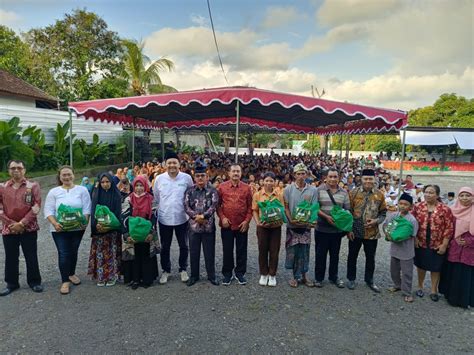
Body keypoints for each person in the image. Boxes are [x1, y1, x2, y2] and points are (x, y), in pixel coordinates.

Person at [44, 166, 91, 295]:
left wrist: (85, 223)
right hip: (59, 229)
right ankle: (65, 281)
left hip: (77, 228)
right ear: (59, 177)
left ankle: (71, 273)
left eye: (69, 174)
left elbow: (87, 208)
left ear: (73, 175)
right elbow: (48, 210)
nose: (66, 177)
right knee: (64, 252)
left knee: (73, 251)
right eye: (64, 175)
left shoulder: (82, 190)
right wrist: (55, 224)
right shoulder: (54, 192)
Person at [0, 160, 43, 296]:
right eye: (13, 168)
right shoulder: (2, 186)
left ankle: (34, 282)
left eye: (19, 168)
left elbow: (36, 206)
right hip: (9, 228)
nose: (16, 170)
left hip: (29, 228)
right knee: (11, 257)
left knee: (31, 256)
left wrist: (22, 223)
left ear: (24, 170)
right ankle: (11, 284)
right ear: (9, 170)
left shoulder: (33, 186)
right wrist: (12, 224)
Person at [153, 151, 193, 284]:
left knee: (184, 245)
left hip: (182, 218)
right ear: (165, 164)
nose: (172, 165)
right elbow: (157, 198)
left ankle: (183, 269)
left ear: (179, 164)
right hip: (164, 218)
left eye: (174, 163)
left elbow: (191, 195)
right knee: (165, 247)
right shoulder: (159, 179)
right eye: (169, 163)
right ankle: (166, 270)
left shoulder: (186, 178)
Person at [347, 169, 387, 292]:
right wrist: (349, 230)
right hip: (355, 230)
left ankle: (369, 280)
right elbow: (348, 213)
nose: (368, 181)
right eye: (366, 179)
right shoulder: (353, 193)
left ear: (374, 179)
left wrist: (376, 221)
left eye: (370, 179)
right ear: (361, 179)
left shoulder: (379, 194)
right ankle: (351, 279)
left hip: (372, 233)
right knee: (352, 256)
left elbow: (383, 213)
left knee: (370, 257)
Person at [412, 185, 454, 302]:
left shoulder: (445, 209)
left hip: (437, 243)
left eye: (431, 192)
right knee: (421, 265)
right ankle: (420, 286)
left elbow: (449, 228)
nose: (428, 194)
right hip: (421, 242)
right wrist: (415, 239)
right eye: (426, 192)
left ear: (437, 195)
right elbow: (412, 224)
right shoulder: (417, 207)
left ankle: (433, 290)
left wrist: (444, 244)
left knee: (436, 267)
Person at [314, 168, 350, 288]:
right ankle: (319, 278)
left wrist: (347, 227)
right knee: (320, 255)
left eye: (335, 177)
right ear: (326, 177)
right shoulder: (318, 190)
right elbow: (315, 207)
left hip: (336, 230)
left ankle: (333, 277)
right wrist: (325, 217)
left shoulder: (344, 193)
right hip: (321, 229)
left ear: (338, 178)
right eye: (331, 176)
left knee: (335, 255)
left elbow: (348, 210)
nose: (333, 179)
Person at [217, 164, 253, 285]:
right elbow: (218, 205)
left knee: (241, 250)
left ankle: (240, 273)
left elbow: (250, 207)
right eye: (233, 171)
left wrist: (247, 221)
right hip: (227, 224)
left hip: (241, 225)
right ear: (229, 173)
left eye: (238, 171)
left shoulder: (247, 188)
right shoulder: (222, 187)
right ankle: (227, 274)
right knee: (227, 250)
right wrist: (222, 218)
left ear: (241, 173)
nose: (236, 173)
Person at [184, 164, 219, 286]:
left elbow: (214, 206)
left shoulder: (212, 191)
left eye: (202, 176)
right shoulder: (189, 191)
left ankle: (211, 276)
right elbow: (186, 206)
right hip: (193, 228)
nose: (200, 178)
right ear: (194, 178)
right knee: (194, 252)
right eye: (197, 176)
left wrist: (203, 217)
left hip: (208, 227)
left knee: (209, 253)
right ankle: (194, 276)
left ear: (207, 177)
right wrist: (196, 217)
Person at [121, 175, 159, 289]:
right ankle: (135, 279)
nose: (138, 188)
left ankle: (147, 279)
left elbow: (154, 216)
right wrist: (126, 234)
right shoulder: (129, 199)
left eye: (141, 185)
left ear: (145, 186)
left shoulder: (151, 199)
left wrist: (151, 232)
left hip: (146, 233)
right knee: (134, 256)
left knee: (146, 254)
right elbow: (124, 216)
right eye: (136, 185)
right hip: (133, 234)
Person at [284, 163, 317, 288]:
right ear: (294, 175)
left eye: (303, 173)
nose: (301, 176)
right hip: (292, 226)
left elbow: (314, 207)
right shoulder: (288, 189)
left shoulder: (313, 190)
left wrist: (312, 221)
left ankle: (304, 275)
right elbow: (286, 207)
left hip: (306, 226)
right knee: (292, 251)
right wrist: (291, 219)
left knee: (304, 251)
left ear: (307, 174)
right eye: (298, 174)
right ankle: (293, 276)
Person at [440, 187, 474, 308]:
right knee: (453, 273)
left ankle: (466, 300)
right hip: (454, 247)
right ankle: (452, 298)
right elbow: (446, 227)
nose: (464, 198)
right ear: (458, 197)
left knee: (466, 275)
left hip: (469, 250)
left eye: (468, 195)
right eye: (462, 195)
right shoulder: (452, 210)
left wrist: (469, 241)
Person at [87, 173, 123, 287]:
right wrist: (97, 225)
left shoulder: (116, 195)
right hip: (99, 230)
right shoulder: (96, 195)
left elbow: (118, 213)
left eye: (107, 182)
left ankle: (112, 276)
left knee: (112, 253)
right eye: (103, 182)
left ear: (111, 182)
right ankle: (101, 277)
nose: (105, 184)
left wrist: (111, 225)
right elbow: (93, 212)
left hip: (112, 231)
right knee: (100, 254)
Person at [384, 193, 419, 303]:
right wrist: (388, 234)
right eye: (401, 203)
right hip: (395, 250)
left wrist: (398, 236)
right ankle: (397, 285)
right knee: (394, 270)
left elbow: (412, 234)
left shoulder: (412, 220)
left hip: (406, 251)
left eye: (406, 204)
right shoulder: (394, 216)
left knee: (407, 273)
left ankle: (407, 292)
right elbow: (388, 228)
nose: (403, 206)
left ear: (411, 207)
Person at [252, 172, 284, 287]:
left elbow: (282, 209)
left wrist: (279, 220)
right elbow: (254, 210)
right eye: (267, 180)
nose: (269, 183)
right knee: (262, 250)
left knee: (274, 251)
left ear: (274, 182)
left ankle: (272, 274)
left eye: (271, 180)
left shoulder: (279, 194)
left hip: (276, 227)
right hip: (263, 227)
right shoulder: (258, 195)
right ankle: (264, 273)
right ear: (262, 181)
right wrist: (258, 223)